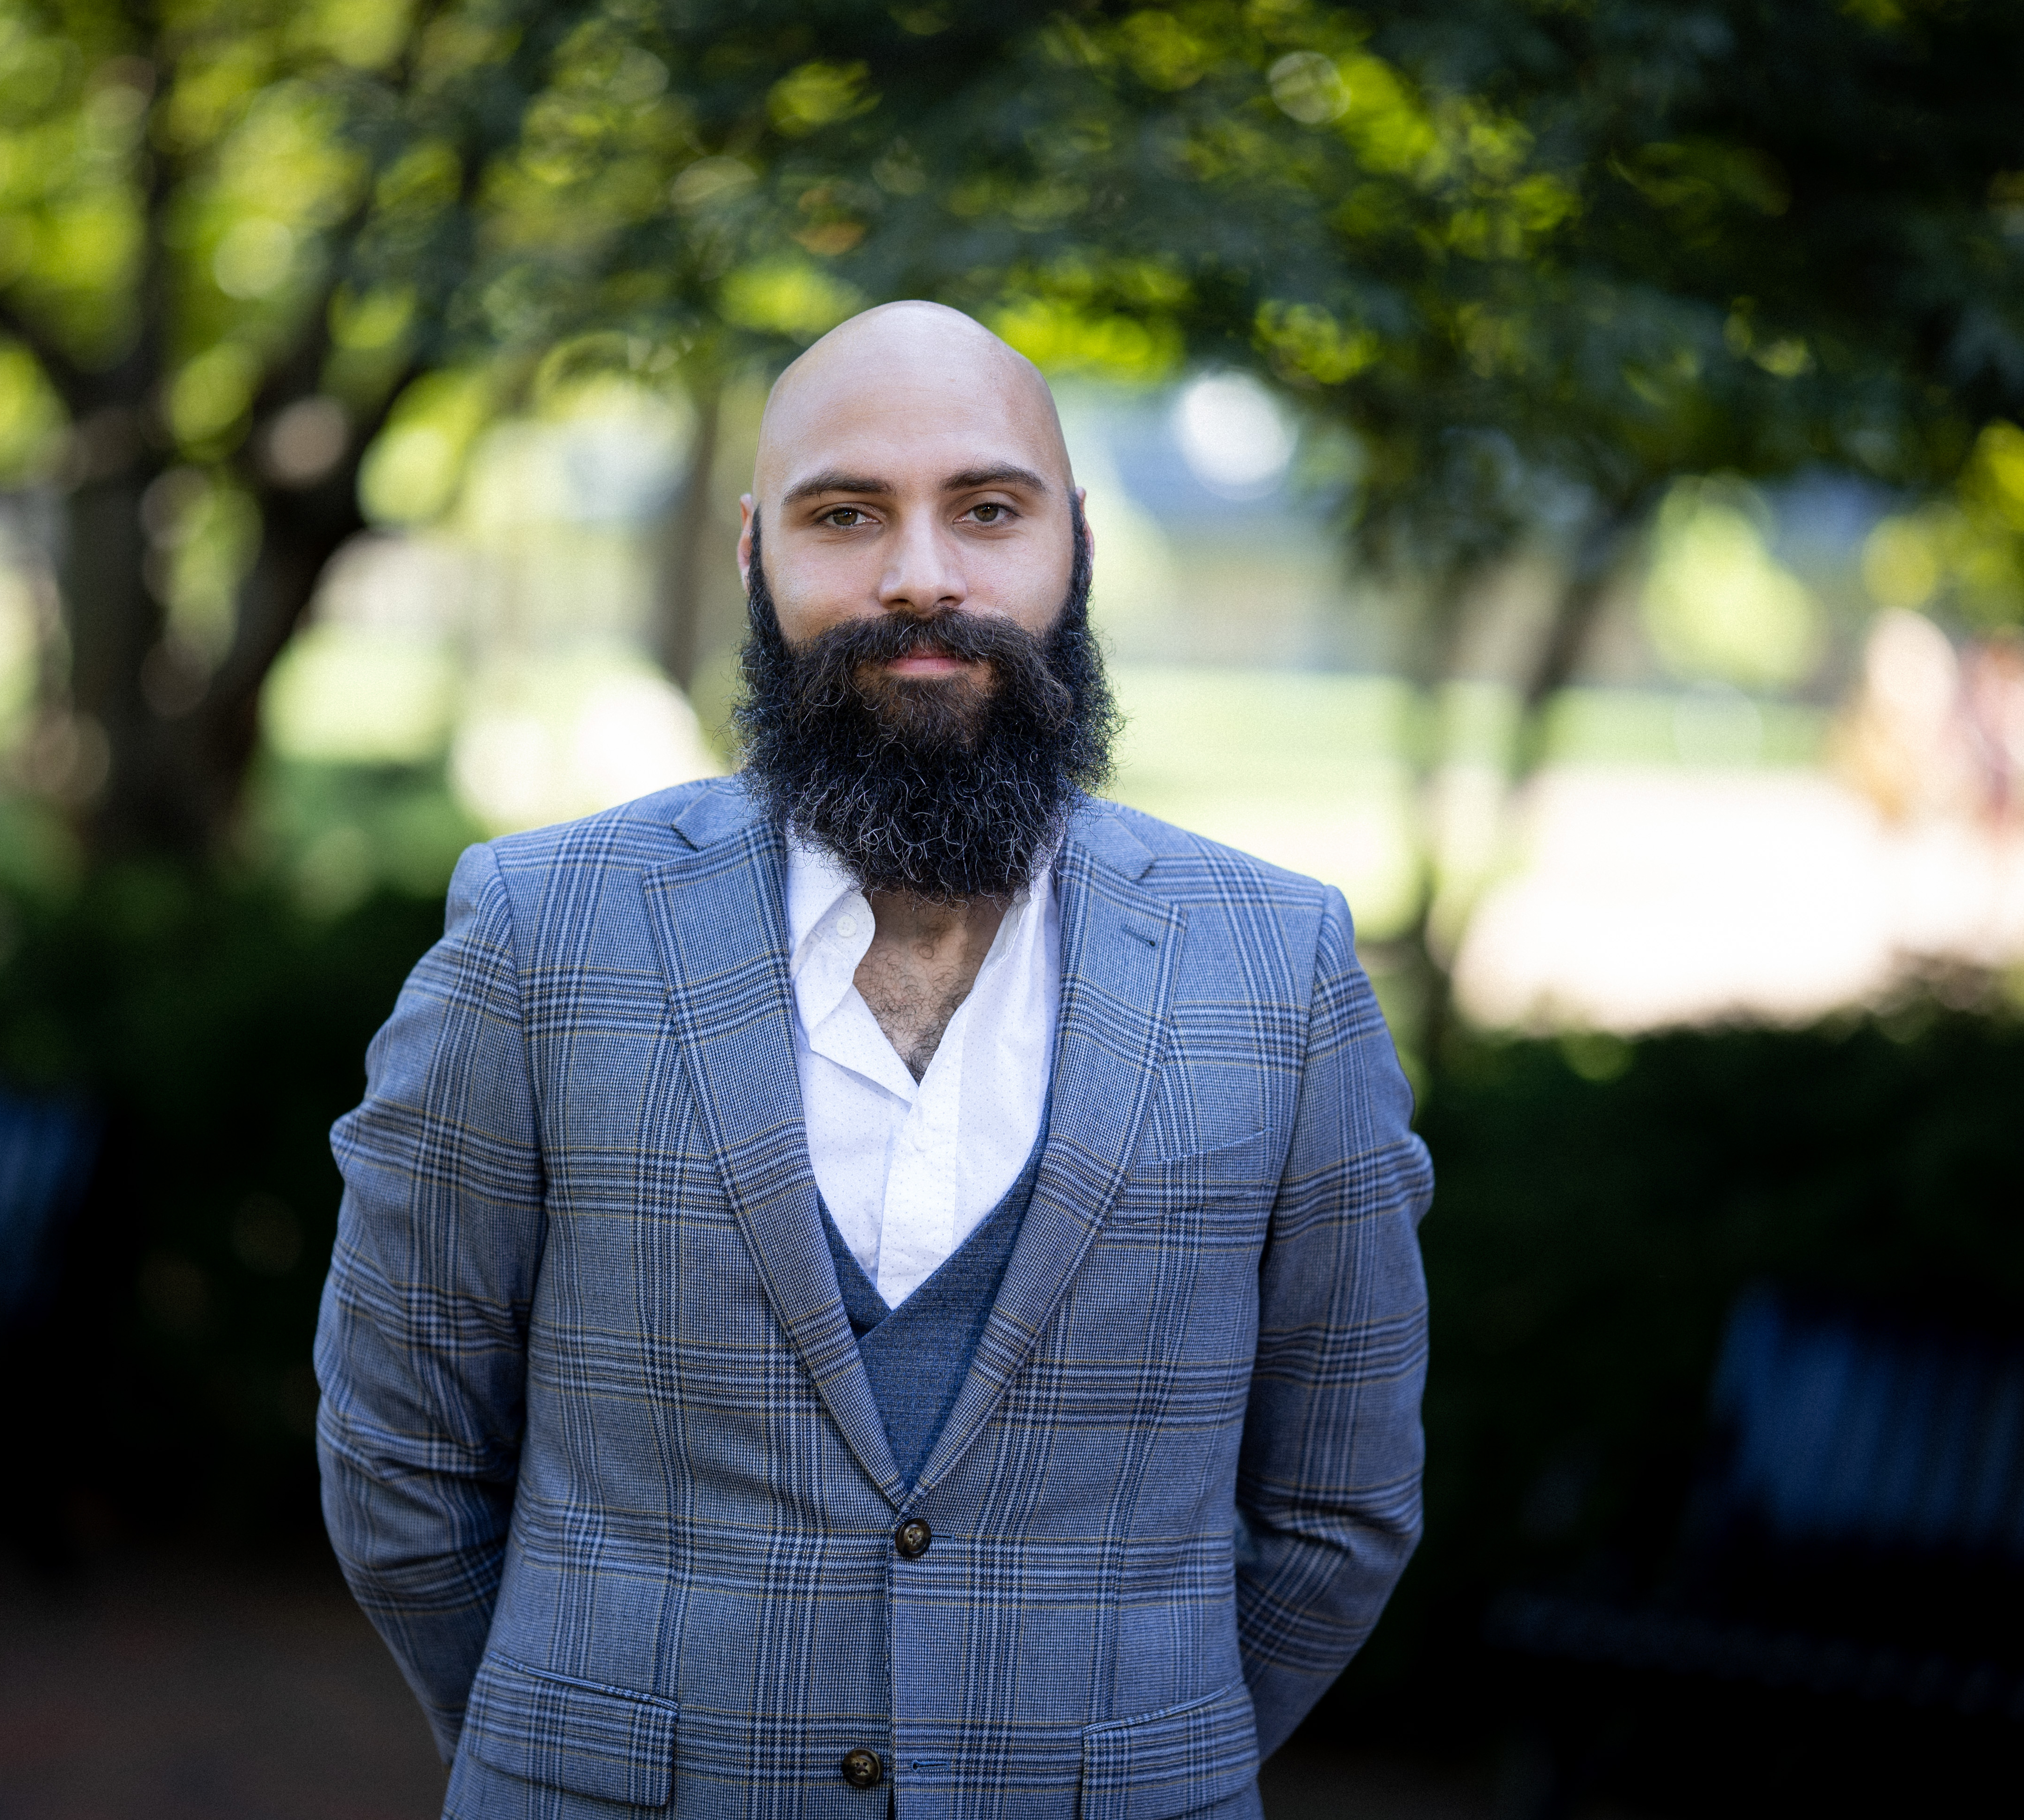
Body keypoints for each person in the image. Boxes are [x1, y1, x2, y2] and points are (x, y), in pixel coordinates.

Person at [315, 302, 1432, 1818]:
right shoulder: (537, 936)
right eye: (846, 516)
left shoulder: (1282, 970)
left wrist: (1121, 1764)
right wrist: (560, 1742)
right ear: (753, 554)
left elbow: (1337, 1508)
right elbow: (400, 1460)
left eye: (988, 509)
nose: (921, 574)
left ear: (1078, 549)